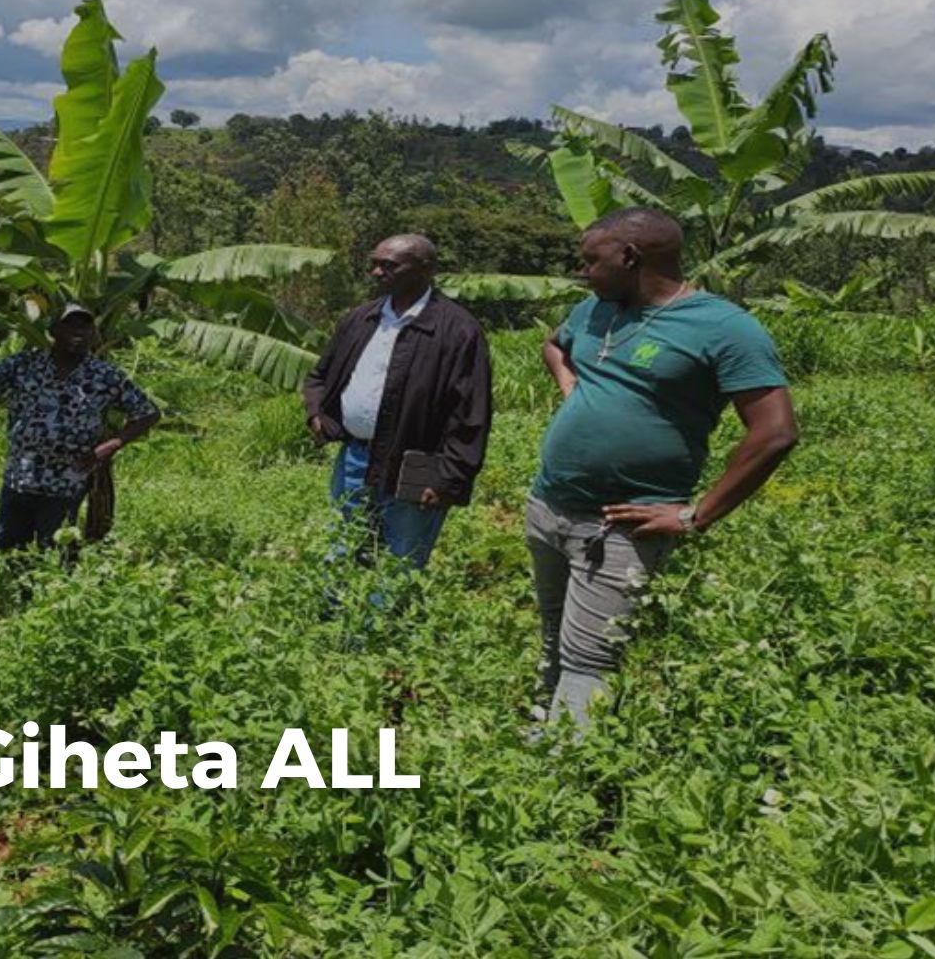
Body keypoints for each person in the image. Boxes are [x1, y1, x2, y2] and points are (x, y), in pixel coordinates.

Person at [529, 208, 797, 730]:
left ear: (629, 257)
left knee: (590, 657)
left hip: (622, 523)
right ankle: (543, 723)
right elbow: (554, 345)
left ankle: (560, 782)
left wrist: (696, 515)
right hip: (549, 505)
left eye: (591, 261)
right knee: (553, 630)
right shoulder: (593, 310)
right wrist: (571, 387)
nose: (582, 272)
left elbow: (775, 432)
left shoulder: (724, 327)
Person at [301, 234, 493, 597]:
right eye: (374, 263)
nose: (376, 272)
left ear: (425, 269)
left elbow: (471, 413)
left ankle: (380, 636)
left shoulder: (457, 330)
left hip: (417, 463)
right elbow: (320, 376)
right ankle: (332, 625)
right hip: (355, 456)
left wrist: (448, 479)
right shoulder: (362, 318)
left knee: (401, 555)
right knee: (345, 544)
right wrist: (316, 414)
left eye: (389, 265)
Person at [0, 304, 159, 552]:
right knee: (11, 548)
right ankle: (17, 590)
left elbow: (148, 412)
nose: (79, 332)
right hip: (21, 476)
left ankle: (55, 588)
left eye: (85, 326)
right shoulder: (23, 365)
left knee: (59, 550)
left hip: (67, 481)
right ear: (54, 330)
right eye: (70, 324)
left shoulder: (105, 375)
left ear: (94, 334)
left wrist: (110, 446)